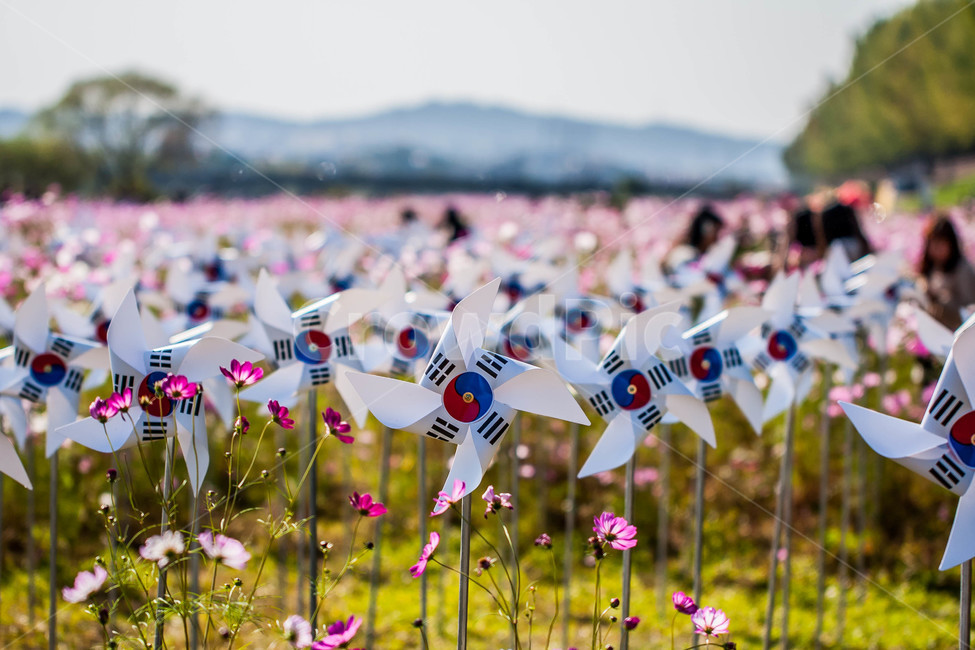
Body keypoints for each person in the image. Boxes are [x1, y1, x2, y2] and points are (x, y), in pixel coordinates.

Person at [918, 215, 975, 330]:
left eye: (941, 243)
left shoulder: (963, 270)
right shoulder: (935, 266)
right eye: (933, 243)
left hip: (958, 332)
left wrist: (941, 301)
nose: (936, 248)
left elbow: (969, 308)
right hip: (938, 329)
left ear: (951, 244)